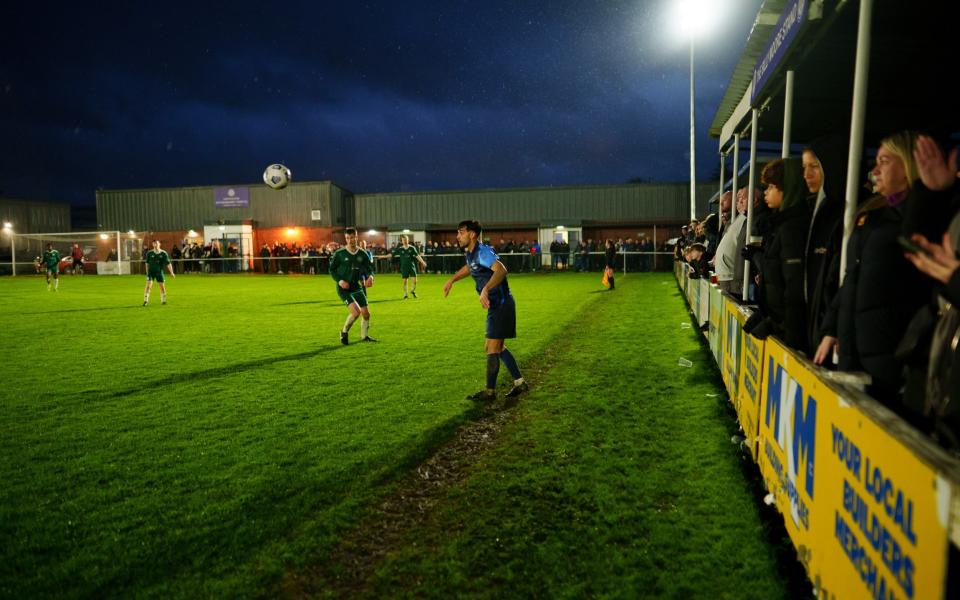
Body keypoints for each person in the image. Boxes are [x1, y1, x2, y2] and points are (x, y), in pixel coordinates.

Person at [814, 130, 929, 408]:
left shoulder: (924, 214)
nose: (875, 170)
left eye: (885, 161)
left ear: (909, 166)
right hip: (858, 347)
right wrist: (832, 327)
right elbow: (853, 276)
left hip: (894, 355)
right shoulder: (874, 214)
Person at [443, 220, 527, 401]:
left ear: (472, 234)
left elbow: (501, 269)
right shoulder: (472, 253)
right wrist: (452, 279)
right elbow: (469, 268)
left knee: (492, 348)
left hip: (501, 304)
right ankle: (520, 382)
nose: (457, 236)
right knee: (496, 347)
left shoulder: (482, 251)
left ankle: (489, 392)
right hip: (496, 305)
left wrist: (486, 289)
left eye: (461, 232)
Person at [744, 158, 809, 351]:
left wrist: (781, 328)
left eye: (772, 186)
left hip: (788, 335)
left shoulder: (793, 227)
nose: (766, 192)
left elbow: (792, 288)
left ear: (788, 189)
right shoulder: (780, 224)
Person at [330, 227, 376, 344]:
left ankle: (364, 336)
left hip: (356, 286)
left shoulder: (362, 253)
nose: (350, 240)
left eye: (352, 238)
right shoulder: (339, 254)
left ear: (356, 237)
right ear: (345, 238)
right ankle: (344, 331)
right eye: (347, 238)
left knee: (366, 314)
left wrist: (371, 276)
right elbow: (332, 270)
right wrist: (340, 281)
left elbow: (369, 268)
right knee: (356, 313)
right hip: (343, 288)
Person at [143, 240, 175, 306]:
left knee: (162, 287)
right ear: (153, 244)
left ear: (159, 244)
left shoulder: (163, 253)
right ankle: (145, 301)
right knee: (148, 286)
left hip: (159, 272)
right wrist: (147, 273)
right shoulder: (149, 253)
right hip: (151, 272)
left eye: (157, 243)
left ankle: (163, 300)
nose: (156, 244)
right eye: (154, 243)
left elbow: (168, 264)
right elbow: (147, 264)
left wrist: (172, 272)